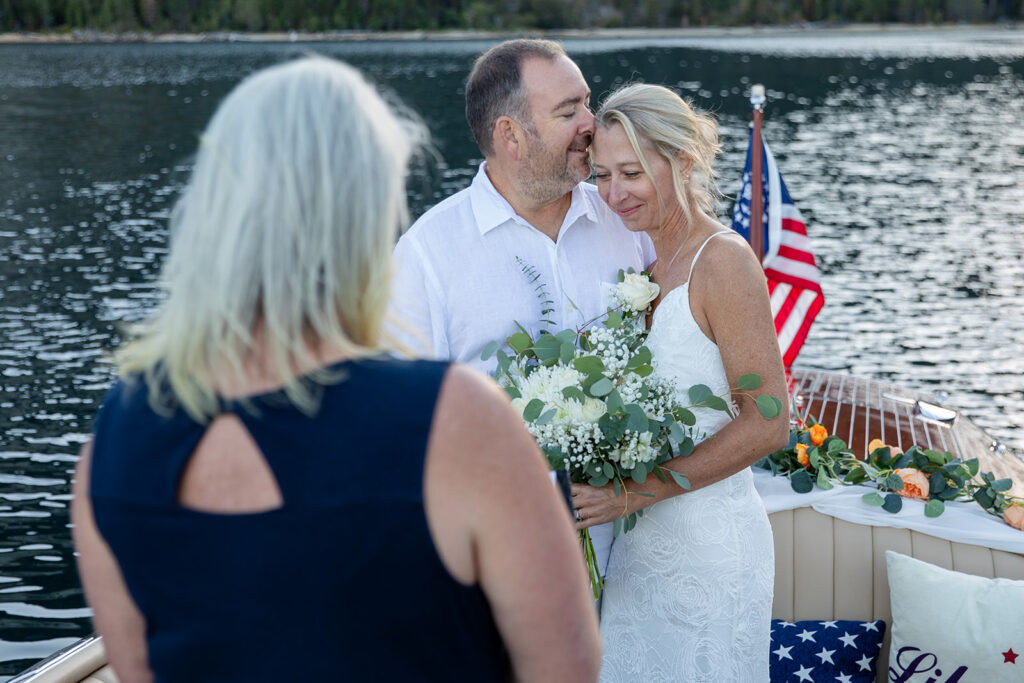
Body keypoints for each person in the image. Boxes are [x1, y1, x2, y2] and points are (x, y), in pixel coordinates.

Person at [70, 56, 601, 683]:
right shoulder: (458, 423)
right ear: (368, 211)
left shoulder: (111, 451)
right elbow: (564, 669)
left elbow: (138, 671)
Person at [388, 39, 655, 579]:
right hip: (500, 559)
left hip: (641, 542)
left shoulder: (626, 215)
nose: (592, 123)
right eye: (568, 111)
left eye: (587, 101)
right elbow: (402, 430)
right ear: (510, 135)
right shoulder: (427, 256)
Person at [574, 83, 790, 681]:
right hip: (640, 549)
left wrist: (639, 492)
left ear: (684, 162)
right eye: (601, 175)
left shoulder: (722, 260)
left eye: (632, 173)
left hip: (711, 549)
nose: (614, 194)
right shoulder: (646, 269)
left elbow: (769, 420)